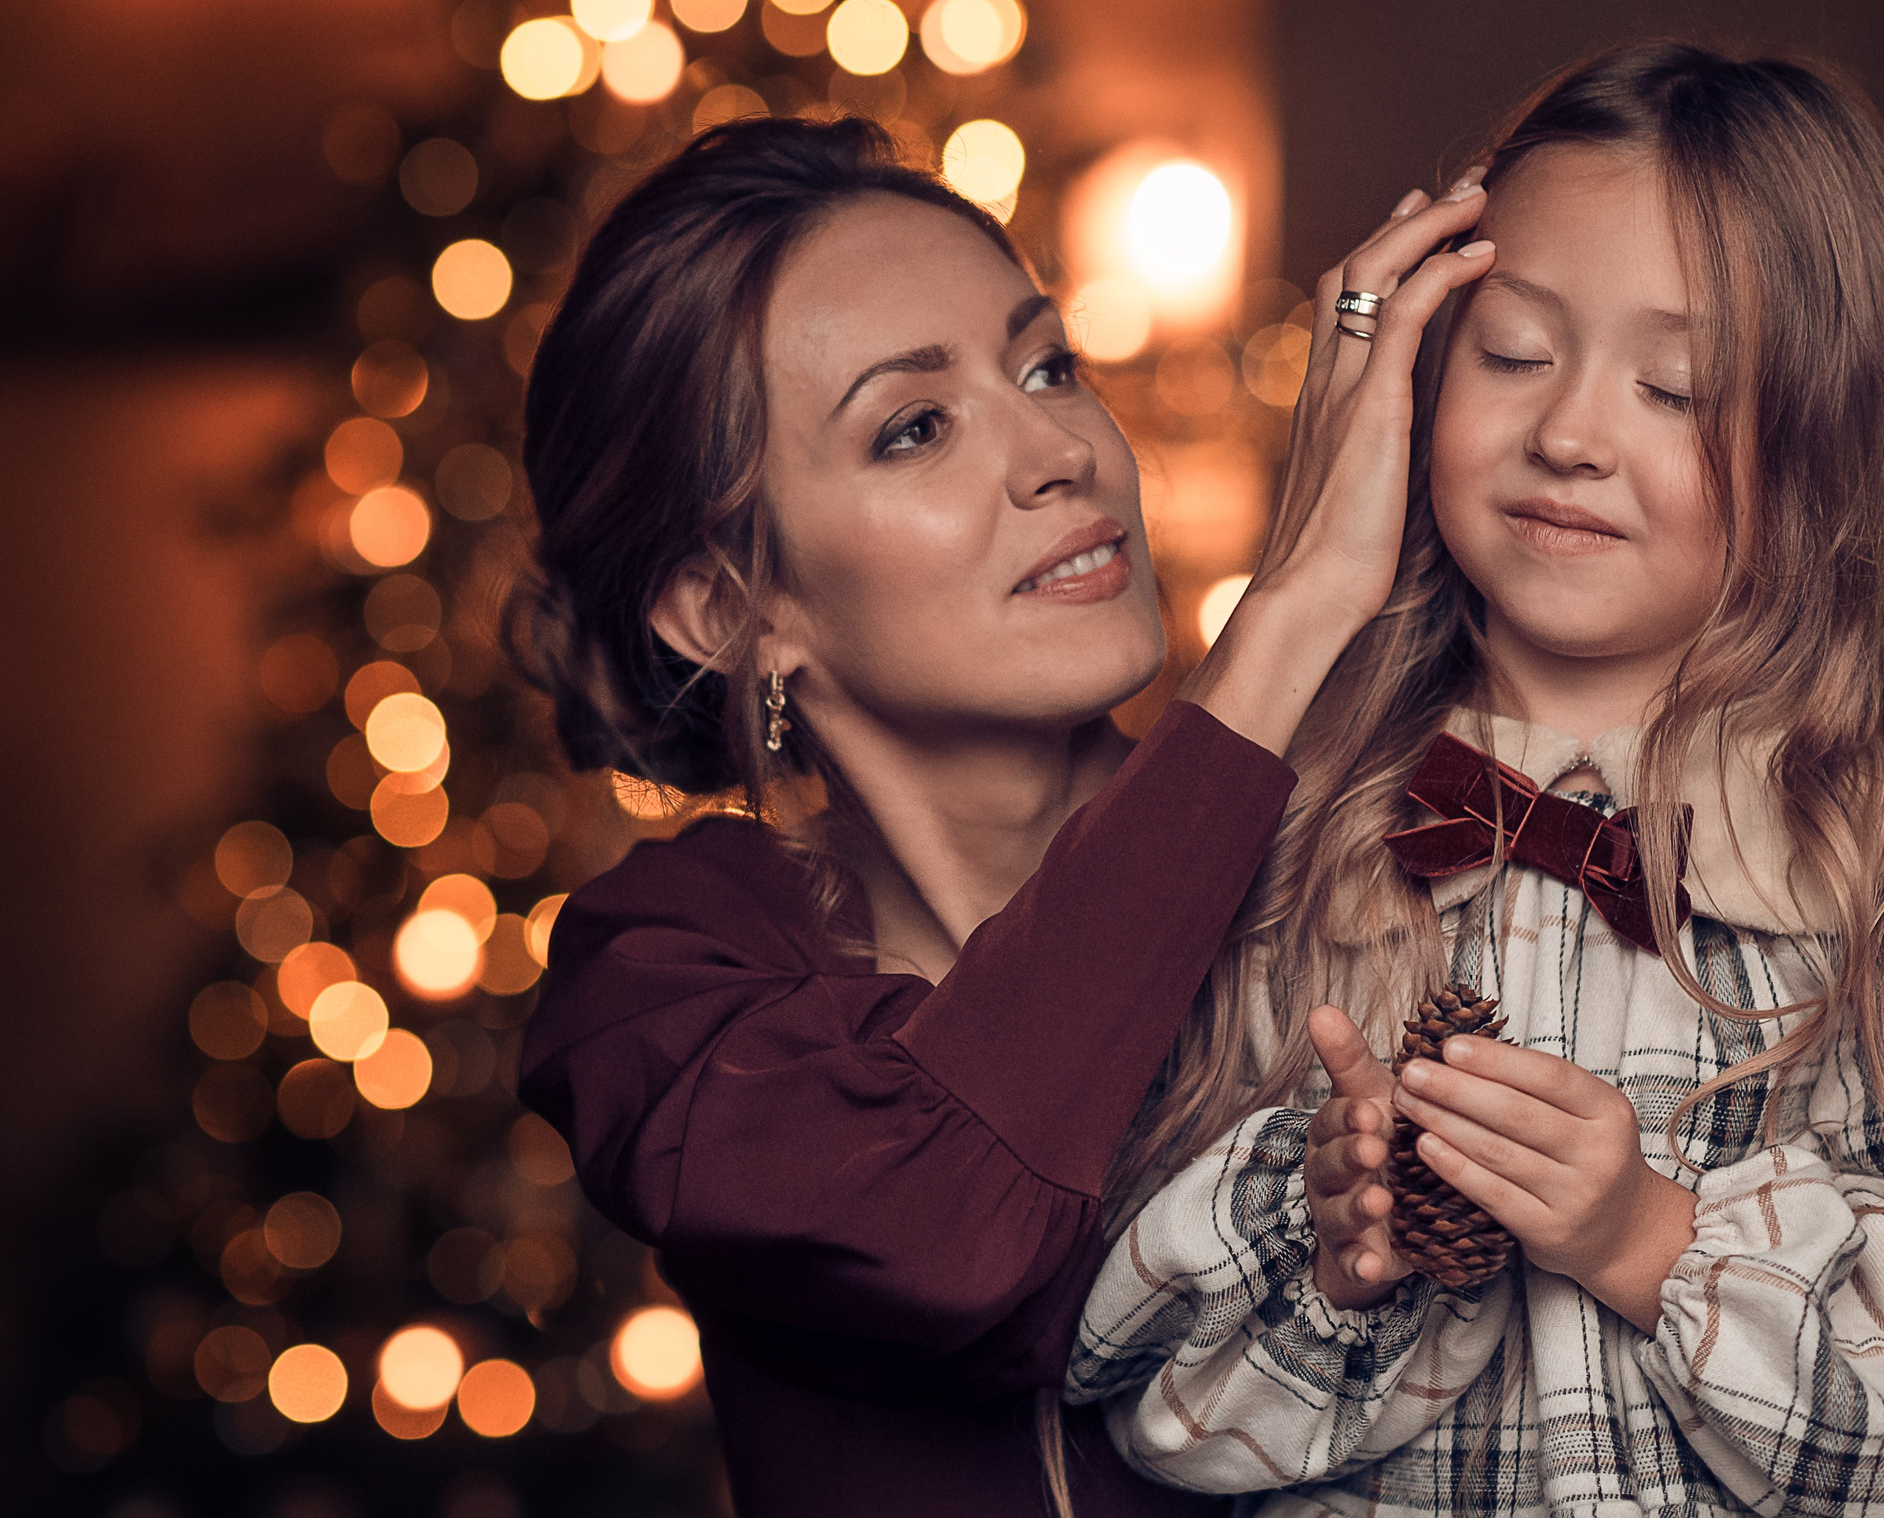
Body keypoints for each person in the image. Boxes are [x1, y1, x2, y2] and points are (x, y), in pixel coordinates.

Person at [1071, 44, 1884, 1517]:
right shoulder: (1304, 812)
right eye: (1516, 351)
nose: (1569, 432)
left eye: (1675, 386)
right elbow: (1135, 1394)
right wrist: (1336, 1247)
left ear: (1830, 455)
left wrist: (1649, 1238)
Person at [507, 116, 1497, 1517]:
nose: (1060, 451)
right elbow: (945, 1219)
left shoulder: (1375, 841)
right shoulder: (662, 978)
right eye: (915, 427)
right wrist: (1294, 606)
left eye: (1049, 366)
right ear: (732, 608)